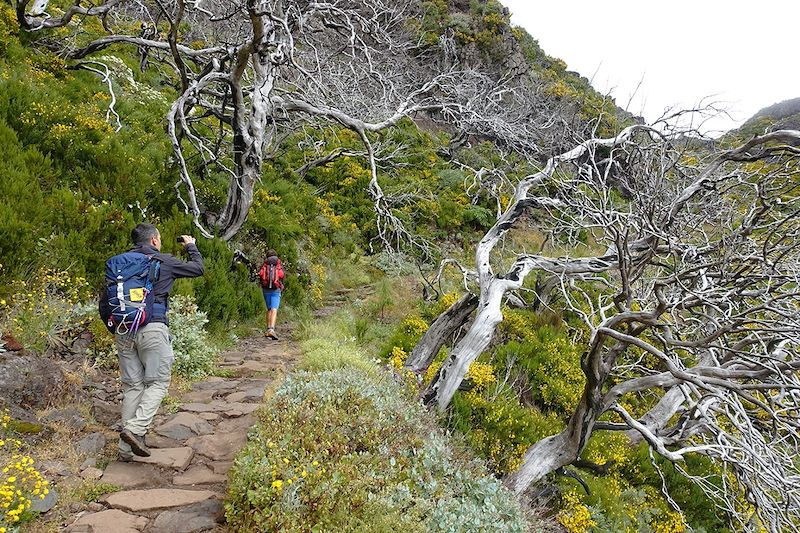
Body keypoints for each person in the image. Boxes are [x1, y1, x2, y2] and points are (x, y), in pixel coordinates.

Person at [107, 224, 204, 459]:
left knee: (133, 386)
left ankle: (124, 451)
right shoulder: (163, 260)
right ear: (153, 241)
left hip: (124, 329)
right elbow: (197, 269)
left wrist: (115, 327)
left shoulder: (117, 262)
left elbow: (105, 299)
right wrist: (191, 246)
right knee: (158, 383)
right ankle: (134, 429)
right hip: (153, 327)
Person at [258, 249, 285, 340]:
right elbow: (281, 275)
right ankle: (272, 330)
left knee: (269, 309)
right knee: (274, 309)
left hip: (266, 290)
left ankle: (268, 329)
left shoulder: (265, 265)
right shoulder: (278, 264)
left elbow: (261, 274)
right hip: (275, 289)